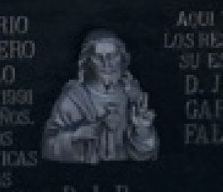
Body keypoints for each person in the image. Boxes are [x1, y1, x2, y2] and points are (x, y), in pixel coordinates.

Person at [42, 29, 158, 164]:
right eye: (99, 57)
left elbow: (146, 156)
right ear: (88, 62)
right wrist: (75, 135)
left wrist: (143, 130)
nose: (107, 63)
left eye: (113, 55)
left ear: (122, 58)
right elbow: (48, 147)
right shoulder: (72, 99)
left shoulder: (132, 94)